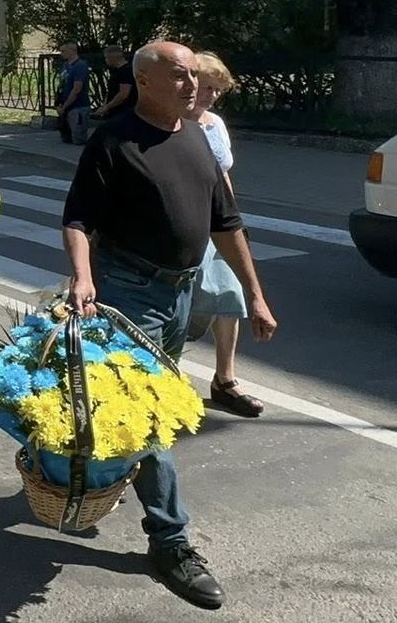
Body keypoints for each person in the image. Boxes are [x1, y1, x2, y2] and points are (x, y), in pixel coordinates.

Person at [60, 41, 279, 610]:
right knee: (152, 412)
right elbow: (79, 218)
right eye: (179, 76)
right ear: (146, 83)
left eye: (193, 75)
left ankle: (69, 470)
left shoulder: (199, 140)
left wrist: (255, 295)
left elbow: (227, 222)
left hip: (180, 292)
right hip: (130, 289)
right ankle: (170, 540)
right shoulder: (113, 141)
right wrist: (82, 277)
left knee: (139, 406)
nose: (191, 84)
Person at [185, 52, 263, 418]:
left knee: (230, 295)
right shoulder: (170, 122)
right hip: (182, 224)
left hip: (217, 223)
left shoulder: (214, 124)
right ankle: (161, 377)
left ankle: (225, 379)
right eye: (206, 86)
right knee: (181, 302)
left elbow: (223, 174)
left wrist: (234, 220)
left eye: (218, 89)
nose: (211, 95)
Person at [54, 42, 92, 145]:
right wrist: (59, 104)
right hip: (66, 106)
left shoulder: (80, 66)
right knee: (66, 138)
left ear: (72, 51)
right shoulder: (66, 65)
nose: (61, 53)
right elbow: (62, 85)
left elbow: (77, 89)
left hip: (77, 106)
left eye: (63, 51)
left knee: (78, 139)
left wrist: (65, 106)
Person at [93, 44, 136, 120]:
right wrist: (105, 105)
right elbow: (111, 90)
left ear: (112, 57)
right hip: (113, 112)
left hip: (123, 113)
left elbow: (123, 94)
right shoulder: (116, 71)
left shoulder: (126, 70)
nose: (105, 60)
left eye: (106, 58)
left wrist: (107, 107)